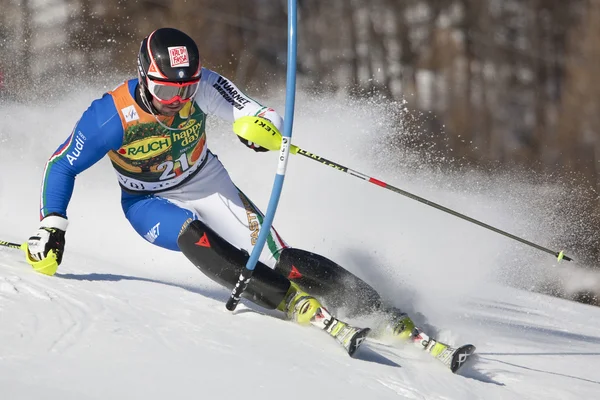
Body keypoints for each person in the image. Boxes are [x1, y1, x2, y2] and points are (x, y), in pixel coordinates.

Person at [26, 27, 469, 366]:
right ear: (145, 77)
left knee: (281, 255)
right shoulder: (111, 115)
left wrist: (260, 129)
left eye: (185, 90)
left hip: (205, 178)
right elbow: (61, 164)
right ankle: (294, 304)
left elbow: (252, 110)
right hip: (146, 201)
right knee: (193, 235)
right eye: (165, 91)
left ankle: (385, 313)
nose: (176, 101)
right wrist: (52, 225)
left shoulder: (200, 87)